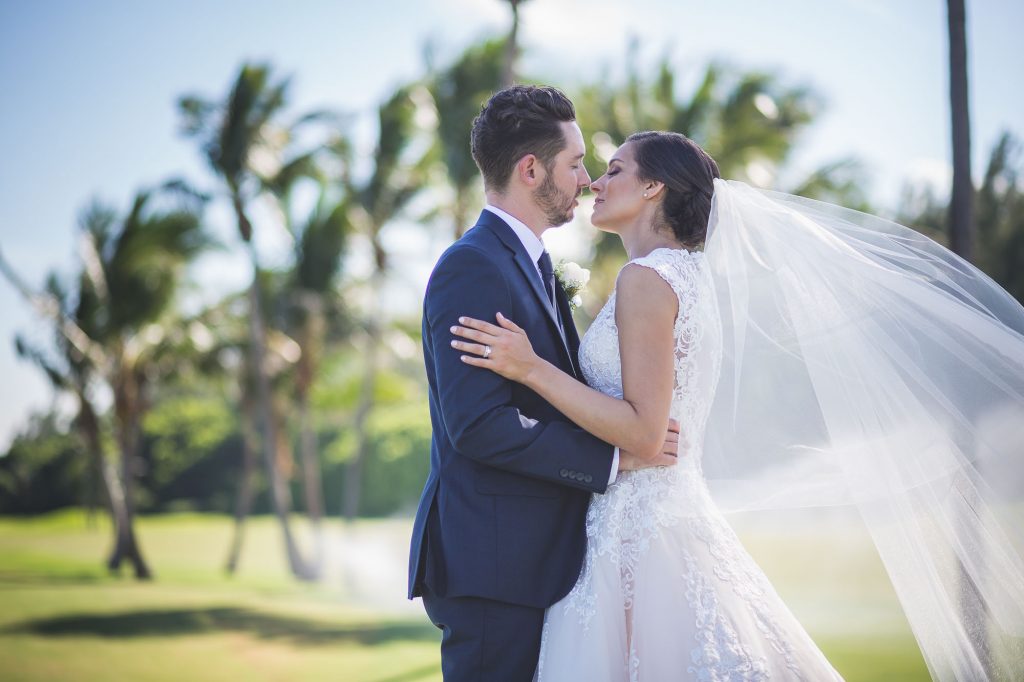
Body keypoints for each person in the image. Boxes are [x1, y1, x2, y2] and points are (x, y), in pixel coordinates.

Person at [452, 131, 1024, 680]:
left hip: (637, 530)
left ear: (655, 188)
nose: (595, 183)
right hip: (662, 514)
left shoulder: (645, 280)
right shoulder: (692, 278)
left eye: (615, 169)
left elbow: (645, 434)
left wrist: (532, 369)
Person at [407, 87, 681, 682]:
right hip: (494, 568)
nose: (586, 180)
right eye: (576, 163)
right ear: (531, 170)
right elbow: (479, 425)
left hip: (535, 565)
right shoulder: (473, 265)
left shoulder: (530, 266)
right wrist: (616, 457)